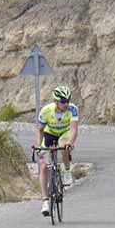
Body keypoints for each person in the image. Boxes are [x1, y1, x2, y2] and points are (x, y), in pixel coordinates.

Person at [35, 85, 79, 215]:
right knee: (43, 166)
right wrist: (39, 148)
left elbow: (73, 129)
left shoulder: (72, 109)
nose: (66, 104)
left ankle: (66, 171)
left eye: (68, 101)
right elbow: (40, 131)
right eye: (63, 101)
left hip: (65, 133)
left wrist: (70, 142)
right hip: (49, 134)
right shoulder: (46, 111)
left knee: (64, 146)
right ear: (56, 102)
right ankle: (45, 201)